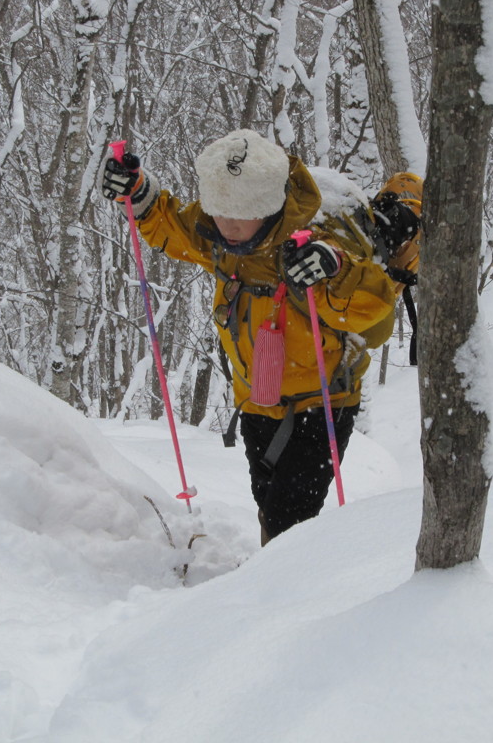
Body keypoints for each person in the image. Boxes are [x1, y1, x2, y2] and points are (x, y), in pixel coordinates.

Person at [101, 129, 397, 545]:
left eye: (241, 214)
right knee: (268, 504)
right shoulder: (221, 238)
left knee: (288, 520)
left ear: (270, 206)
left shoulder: (314, 246)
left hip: (322, 405)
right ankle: (274, 588)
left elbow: (375, 308)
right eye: (220, 212)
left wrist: (335, 270)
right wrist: (138, 192)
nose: (228, 225)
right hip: (258, 397)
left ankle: (281, 597)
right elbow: (175, 229)